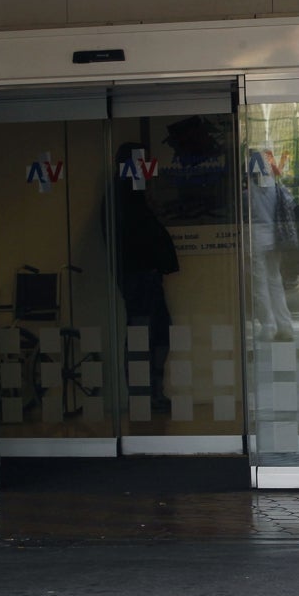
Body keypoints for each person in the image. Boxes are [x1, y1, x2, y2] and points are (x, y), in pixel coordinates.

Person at [111, 141, 179, 413]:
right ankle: (144, 395)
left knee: (157, 333)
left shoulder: (128, 197)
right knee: (144, 336)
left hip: (142, 277)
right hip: (139, 277)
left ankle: (149, 393)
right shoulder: (125, 198)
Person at [246, 161, 296, 342]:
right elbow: (289, 202)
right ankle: (285, 325)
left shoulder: (249, 189)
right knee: (275, 281)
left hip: (257, 238)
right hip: (276, 237)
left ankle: (268, 326)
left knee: (260, 285)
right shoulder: (275, 186)